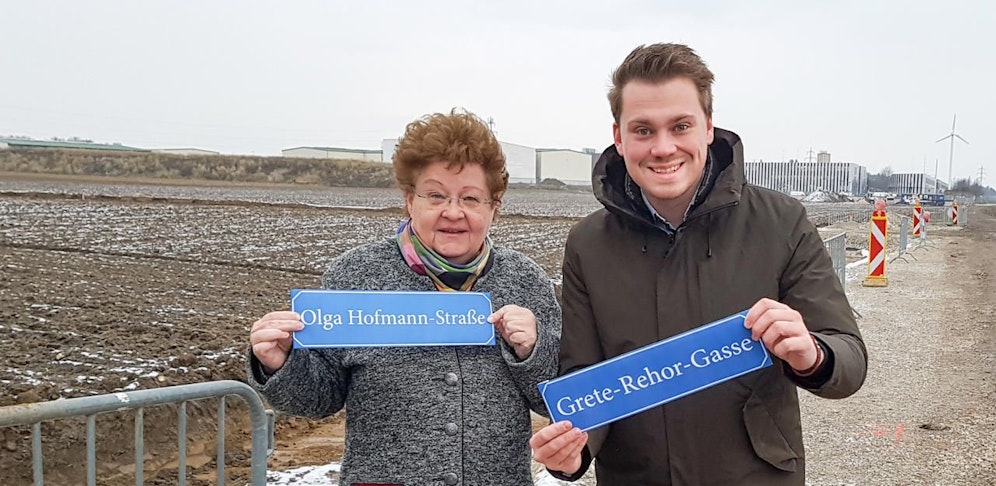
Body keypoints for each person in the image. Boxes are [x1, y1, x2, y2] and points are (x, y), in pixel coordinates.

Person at [530, 43, 868, 485]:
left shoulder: (781, 222)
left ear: (708, 127)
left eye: (681, 126)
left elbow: (849, 358)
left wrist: (812, 355)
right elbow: (586, 380)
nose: (663, 147)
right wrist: (572, 452)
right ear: (619, 137)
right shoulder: (588, 244)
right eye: (643, 130)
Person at [247, 109, 561, 486]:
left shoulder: (526, 280)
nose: (453, 212)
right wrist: (279, 364)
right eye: (435, 195)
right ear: (410, 200)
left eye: (471, 198)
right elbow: (319, 399)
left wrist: (533, 352)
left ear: (494, 207)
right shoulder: (355, 275)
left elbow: (553, 400)